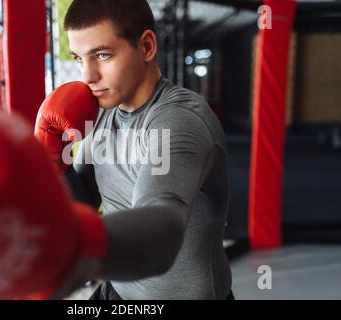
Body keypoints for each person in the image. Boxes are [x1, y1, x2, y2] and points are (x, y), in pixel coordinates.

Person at [36, 0, 233, 300]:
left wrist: (78, 259)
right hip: (116, 290)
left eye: (102, 55)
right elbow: (83, 202)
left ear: (146, 47)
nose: (87, 76)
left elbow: (162, 226)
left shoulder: (178, 122)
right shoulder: (100, 112)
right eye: (79, 58)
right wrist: (54, 163)